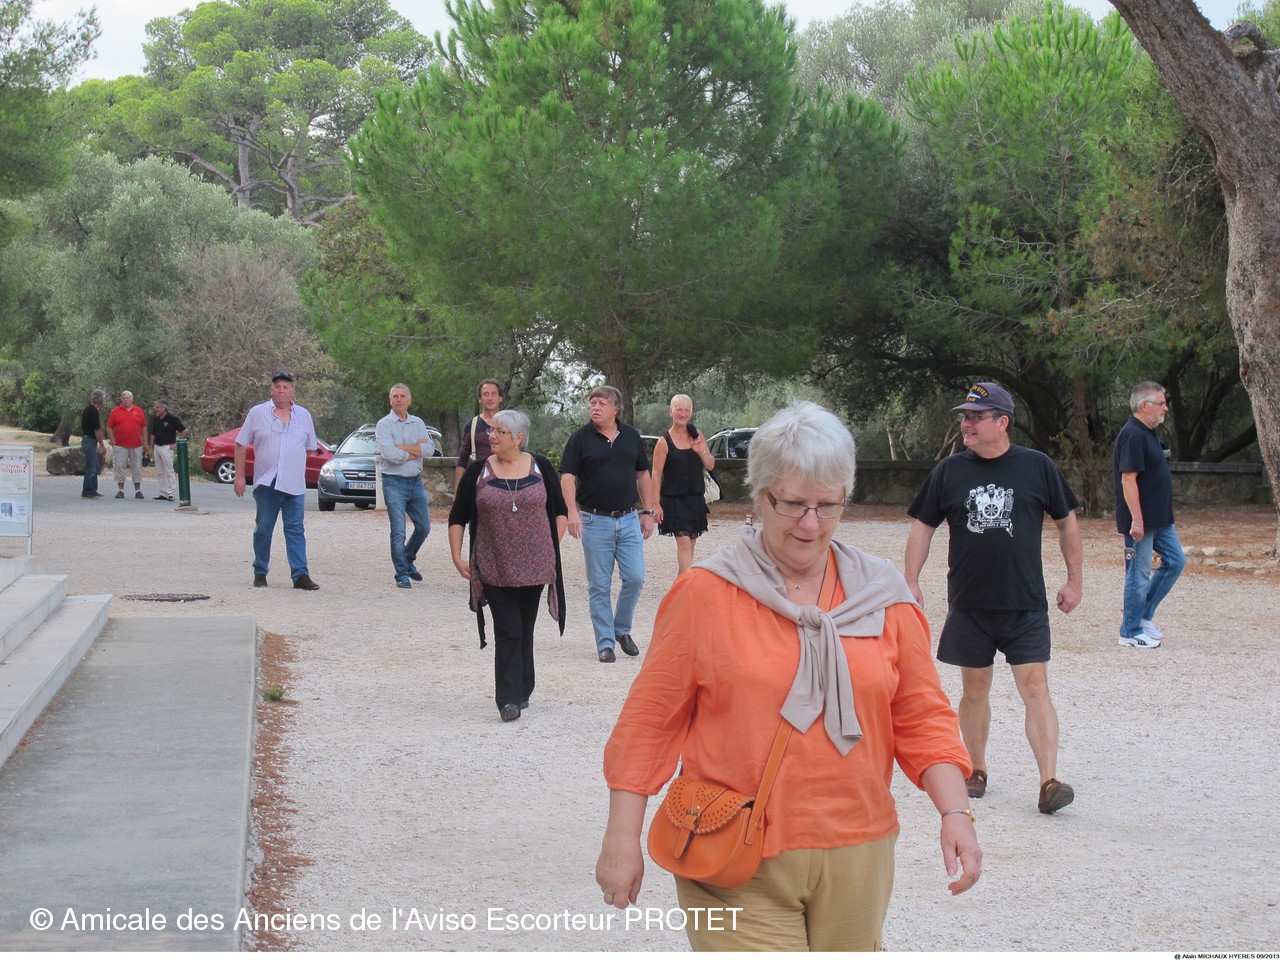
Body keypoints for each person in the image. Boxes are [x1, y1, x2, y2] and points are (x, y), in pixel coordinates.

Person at [596, 402, 980, 950]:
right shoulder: (705, 593)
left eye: (828, 505)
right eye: (794, 504)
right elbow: (649, 723)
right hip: (731, 849)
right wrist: (621, 836)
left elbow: (922, 717)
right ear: (760, 495)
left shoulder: (882, 595)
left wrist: (955, 812)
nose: (811, 524)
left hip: (859, 849)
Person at [904, 381, 1083, 815]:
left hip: (1024, 603)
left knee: (1035, 687)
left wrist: (1074, 581)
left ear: (1002, 422)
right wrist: (909, 580)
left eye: (976, 416)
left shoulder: (1037, 467)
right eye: (965, 416)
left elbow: (1067, 522)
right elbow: (923, 527)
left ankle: (1049, 782)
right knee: (974, 688)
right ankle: (976, 769)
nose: (966, 423)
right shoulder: (949, 472)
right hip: (970, 604)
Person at [448, 410, 568, 722]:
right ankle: (508, 699)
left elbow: (560, 511)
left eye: (499, 431)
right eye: (491, 430)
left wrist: (549, 546)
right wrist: (457, 556)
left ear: (518, 438)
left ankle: (524, 686)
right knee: (508, 630)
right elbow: (458, 515)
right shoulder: (478, 471)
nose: (492, 436)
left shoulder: (540, 467)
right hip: (494, 564)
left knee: (524, 628)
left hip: (534, 567)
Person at [559, 385, 657, 663]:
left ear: (616, 408)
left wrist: (648, 511)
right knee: (599, 585)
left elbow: (643, 474)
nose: (595, 407)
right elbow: (567, 477)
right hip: (594, 520)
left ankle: (621, 629)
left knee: (635, 577)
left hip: (628, 518)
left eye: (602, 403)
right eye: (592, 403)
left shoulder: (631, 436)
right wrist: (571, 512)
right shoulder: (580, 438)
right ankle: (605, 642)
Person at [1114, 380, 1185, 649]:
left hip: (1160, 519)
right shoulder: (1132, 434)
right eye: (1161, 403)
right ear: (1145, 406)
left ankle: (1143, 617)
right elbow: (1128, 480)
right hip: (1140, 521)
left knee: (1176, 561)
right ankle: (1130, 632)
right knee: (1138, 573)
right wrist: (1137, 520)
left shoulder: (1149, 433)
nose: (1166, 408)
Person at [234, 371, 320, 591]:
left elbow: (310, 448)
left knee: (295, 529)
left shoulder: (303, 415)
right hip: (267, 482)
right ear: (271, 390)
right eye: (278, 387)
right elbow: (241, 444)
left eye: (285, 387)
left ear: (292, 392)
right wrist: (240, 476)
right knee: (264, 528)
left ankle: (300, 575)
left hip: (294, 483)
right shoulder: (257, 413)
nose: (281, 391)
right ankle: (260, 570)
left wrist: (292, 462)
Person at [375, 383, 435, 589]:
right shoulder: (383, 425)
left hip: (415, 482)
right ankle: (401, 573)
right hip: (394, 483)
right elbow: (389, 454)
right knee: (398, 530)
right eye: (395, 396)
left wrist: (402, 449)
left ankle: (407, 558)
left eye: (402, 396)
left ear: (409, 400)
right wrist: (414, 451)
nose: (399, 399)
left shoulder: (418, 423)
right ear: (390, 400)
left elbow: (430, 449)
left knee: (424, 526)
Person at [651, 394, 715, 576]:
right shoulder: (663, 442)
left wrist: (701, 451)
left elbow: (710, 465)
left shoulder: (697, 435)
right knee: (685, 543)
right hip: (673, 500)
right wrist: (655, 504)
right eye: (679, 409)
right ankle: (687, 585)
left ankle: (681, 584)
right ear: (671, 412)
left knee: (690, 545)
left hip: (695, 498)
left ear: (691, 413)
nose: (683, 413)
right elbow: (656, 474)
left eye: (687, 410)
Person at [454, 379, 504, 489]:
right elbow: (462, 460)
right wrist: (457, 489)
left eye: (493, 394)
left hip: (506, 482)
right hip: (480, 484)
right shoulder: (472, 425)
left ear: (500, 398)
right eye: (486, 394)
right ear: (480, 399)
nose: (490, 398)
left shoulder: (510, 424)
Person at [105, 390, 147, 500]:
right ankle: (121, 490)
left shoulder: (138, 410)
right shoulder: (115, 411)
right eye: (124, 398)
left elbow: (143, 426)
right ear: (121, 399)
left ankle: (138, 490)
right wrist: (112, 441)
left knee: (137, 466)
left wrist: (145, 442)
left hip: (136, 444)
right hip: (120, 444)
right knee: (119, 466)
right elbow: (109, 427)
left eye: (128, 398)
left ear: (132, 399)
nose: (126, 400)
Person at [146, 399, 187, 502]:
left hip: (167, 447)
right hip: (157, 446)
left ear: (164, 408)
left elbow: (184, 430)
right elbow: (153, 435)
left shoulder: (172, 419)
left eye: (157, 407)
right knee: (160, 471)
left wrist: (177, 443)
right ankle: (163, 493)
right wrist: (150, 448)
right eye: (155, 407)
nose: (155, 409)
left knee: (169, 470)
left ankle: (171, 493)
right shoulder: (156, 419)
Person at [79, 389, 108, 499]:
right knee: (91, 466)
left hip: (88, 439)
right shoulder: (93, 411)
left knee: (95, 465)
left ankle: (93, 489)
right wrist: (102, 445)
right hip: (90, 440)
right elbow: (97, 430)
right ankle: (87, 491)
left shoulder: (88, 409)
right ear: (100, 400)